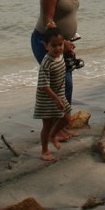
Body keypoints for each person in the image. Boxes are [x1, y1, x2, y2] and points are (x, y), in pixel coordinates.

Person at [32, 0, 80, 104]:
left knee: (66, 85)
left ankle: (63, 124)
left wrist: (68, 42)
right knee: (61, 83)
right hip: (46, 42)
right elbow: (48, 21)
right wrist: (62, 42)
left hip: (62, 43)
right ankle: (55, 125)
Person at [34, 28, 71, 161]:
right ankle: (44, 151)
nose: (57, 48)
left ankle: (53, 135)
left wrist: (69, 50)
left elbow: (64, 51)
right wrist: (55, 99)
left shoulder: (60, 55)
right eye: (53, 45)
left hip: (59, 95)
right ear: (46, 46)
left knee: (67, 119)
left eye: (60, 45)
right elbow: (44, 86)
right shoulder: (46, 63)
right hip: (48, 99)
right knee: (47, 125)